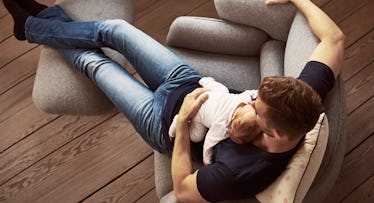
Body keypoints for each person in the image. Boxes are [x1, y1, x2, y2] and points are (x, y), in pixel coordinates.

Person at [3, 0, 345, 202]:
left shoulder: (244, 172)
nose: (249, 102)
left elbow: (183, 191)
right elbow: (334, 38)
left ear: (274, 134)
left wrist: (182, 124)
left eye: (256, 108)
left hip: (163, 122)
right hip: (190, 82)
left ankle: (34, 25)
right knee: (115, 30)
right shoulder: (302, 99)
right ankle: (35, 25)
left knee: (95, 63)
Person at [168, 77, 261, 165]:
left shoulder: (244, 99)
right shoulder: (222, 126)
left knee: (223, 90)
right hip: (197, 113)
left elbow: (251, 93)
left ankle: (206, 81)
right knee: (197, 137)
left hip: (210, 94)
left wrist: (258, 93)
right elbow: (209, 142)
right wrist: (206, 160)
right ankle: (177, 120)